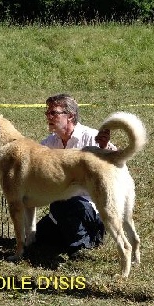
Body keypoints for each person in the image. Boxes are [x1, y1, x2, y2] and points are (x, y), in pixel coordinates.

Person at [34, 93, 114, 256]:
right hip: (63, 207)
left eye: (53, 113)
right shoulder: (49, 143)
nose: (48, 117)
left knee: (65, 203)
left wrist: (104, 148)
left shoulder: (92, 137)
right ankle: (83, 236)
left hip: (92, 206)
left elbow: (118, 165)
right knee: (40, 236)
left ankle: (82, 247)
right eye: (47, 113)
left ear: (70, 116)